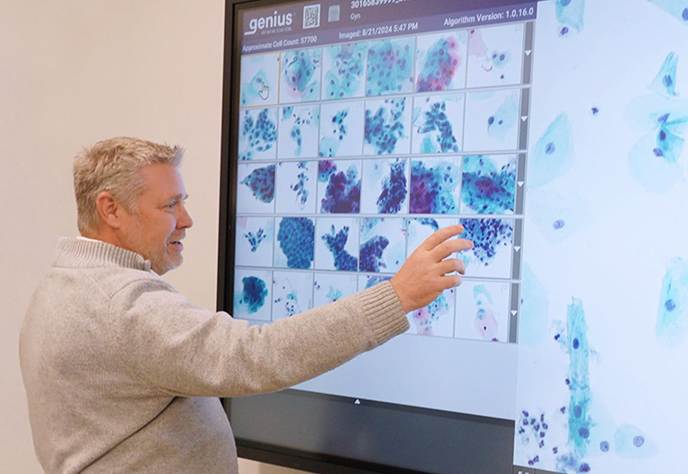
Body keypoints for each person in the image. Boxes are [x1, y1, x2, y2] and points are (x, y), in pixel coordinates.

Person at [19, 137, 472, 474]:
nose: (187, 219)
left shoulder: (58, 287)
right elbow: (255, 355)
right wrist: (395, 297)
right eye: (170, 205)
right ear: (111, 209)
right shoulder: (122, 304)